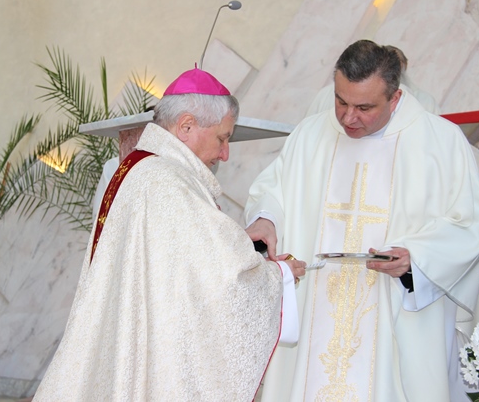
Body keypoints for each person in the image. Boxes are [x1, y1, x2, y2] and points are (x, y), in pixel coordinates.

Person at [32, 67, 306, 401]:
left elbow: (181, 266)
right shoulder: (168, 181)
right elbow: (222, 282)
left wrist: (237, 244)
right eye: (222, 138)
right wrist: (278, 275)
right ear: (186, 126)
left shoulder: (142, 167)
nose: (225, 153)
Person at [245, 39, 479, 402]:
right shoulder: (310, 135)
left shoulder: (440, 142)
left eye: (364, 107)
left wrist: (416, 258)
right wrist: (266, 219)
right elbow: (274, 191)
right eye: (340, 101)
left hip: (395, 317)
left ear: (395, 97)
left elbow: (469, 224)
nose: (348, 118)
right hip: (317, 310)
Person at [305, 44, 440, 116]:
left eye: (364, 108)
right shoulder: (326, 93)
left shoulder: (422, 100)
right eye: (342, 103)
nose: (349, 118)